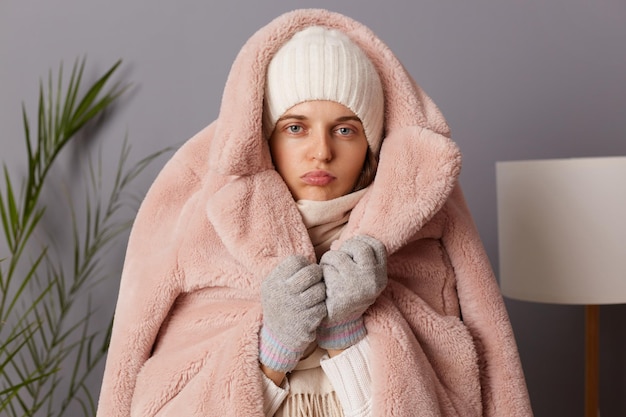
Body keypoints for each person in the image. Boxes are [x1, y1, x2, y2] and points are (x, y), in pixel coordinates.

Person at [96, 8, 532, 417]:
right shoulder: (204, 233)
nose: (321, 152)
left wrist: (349, 333)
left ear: (371, 145)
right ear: (264, 137)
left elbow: (461, 396)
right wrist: (273, 349)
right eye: (295, 128)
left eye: (345, 129)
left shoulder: (423, 235)